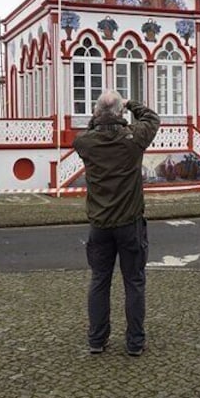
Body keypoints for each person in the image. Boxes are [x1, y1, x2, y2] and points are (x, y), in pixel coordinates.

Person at [72, 90, 161, 356]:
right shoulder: (134, 140)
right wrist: (128, 104)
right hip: (129, 223)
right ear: (122, 114)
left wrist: (99, 117)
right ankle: (135, 342)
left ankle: (97, 340)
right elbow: (152, 118)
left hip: (99, 225)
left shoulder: (85, 142)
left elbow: (90, 129)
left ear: (96, 114)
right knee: (134, 282)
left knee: (100, 280)